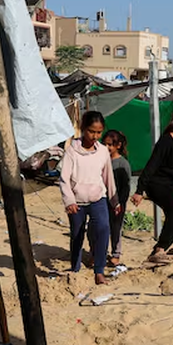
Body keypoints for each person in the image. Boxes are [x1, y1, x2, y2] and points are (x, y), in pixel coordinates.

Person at [131, 107, 173, 263]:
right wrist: (139, 190)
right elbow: (151, 166)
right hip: (156, 184)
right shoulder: (166, 141)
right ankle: (159, 249)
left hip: (168, 185)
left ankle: (159, 250)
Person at [59, 111, 119, 284]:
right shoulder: (71, 152)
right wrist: (69, 200)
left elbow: (108, 177)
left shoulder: (102, 152)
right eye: (92, 131)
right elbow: (64, 179)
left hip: (97, 198)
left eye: (99, 132)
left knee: (103, 229)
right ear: (84, 129)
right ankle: (75, 268)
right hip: (76, 201)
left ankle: (99, 271)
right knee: (77, 234)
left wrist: (114, 201)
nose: (95, 136)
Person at [103, 129, 132, 266]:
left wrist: (119, 203)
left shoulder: (122, 164)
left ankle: (115, 254)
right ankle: (98, 252)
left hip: (117, 202)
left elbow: (125, 187)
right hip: (102, 200)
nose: (107, 147)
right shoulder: (102, 161)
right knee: (100, 228)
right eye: (105, 144)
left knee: (116, 228)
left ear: (118, 146)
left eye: (110, 145)